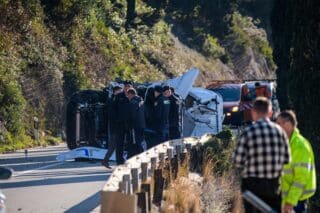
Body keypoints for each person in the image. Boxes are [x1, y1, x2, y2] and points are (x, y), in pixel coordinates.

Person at [233, 97, 291, 212]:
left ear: (253, 112)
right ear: (270, 113)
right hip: (274, 185)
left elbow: (237, 161)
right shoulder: (280, 132)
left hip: (252, 186)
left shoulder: (248, 132)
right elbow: (287, 159)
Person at [276, 110, 316, 213]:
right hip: (290, 200)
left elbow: (301, 178)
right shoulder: (288, 143)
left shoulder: (299, 146)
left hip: (296, 202)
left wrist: (290, 202)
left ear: (288, 124)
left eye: (279, 123)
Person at [102, 85, 123, 168]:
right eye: (119, 91)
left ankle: (106, 160)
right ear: (115, 91)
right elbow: (112, 115)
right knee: (114, 144)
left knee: (115, 145)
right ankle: (105, 160)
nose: (121, 92)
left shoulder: (113, 100)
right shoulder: (112, 100)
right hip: (114, 126)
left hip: (114, 126)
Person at [113, 81, 132, 165]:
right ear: (123, 88)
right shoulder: (118, 97)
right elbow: (113, 110)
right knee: (119, 143)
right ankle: (119, 160)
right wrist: (115, 120)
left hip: (130, 124)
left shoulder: (134, 96)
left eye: (129, 87)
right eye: (126, 87)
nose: (127, 88)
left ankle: (129, 158)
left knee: (130, 142)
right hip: (119, 123)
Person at [126, 88, 146, 158]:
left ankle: (141, 157)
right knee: (140, 141)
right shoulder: (141, 101)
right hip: (142, 125)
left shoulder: (132, 102)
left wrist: (129, 125)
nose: (127, 97)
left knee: (136, 142)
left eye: (128, 95)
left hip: (135, 125)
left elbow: (132, 116)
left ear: (131, 94)